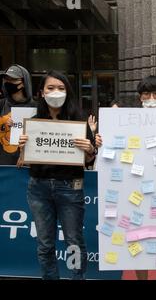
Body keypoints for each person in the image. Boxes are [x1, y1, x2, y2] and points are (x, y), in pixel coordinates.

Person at [18, 70, 98, 279]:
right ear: (41, 92)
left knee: (73, 241)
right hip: (38, 188)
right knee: (45, 243)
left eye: (61, 88)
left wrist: (89, 149)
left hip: (70, 186)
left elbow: (89, 160)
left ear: (68, 92)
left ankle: (77, 277)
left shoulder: (78, 120)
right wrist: (22, 148)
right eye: (50, 88)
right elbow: (24, 160)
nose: (56, 92)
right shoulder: (34, 122)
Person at [0, 64, 36, 165]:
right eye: (6, 79)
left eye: (13, 79)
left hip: (28, 169)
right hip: (3, 169)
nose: (8, 82)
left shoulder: (38, 108)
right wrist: (2, 125)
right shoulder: (1, 104)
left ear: (23, 83)